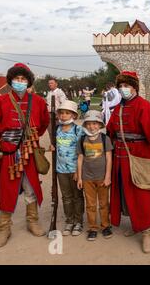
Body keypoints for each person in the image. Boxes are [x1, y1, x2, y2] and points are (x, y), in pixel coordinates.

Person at [0, 63, 50, 248]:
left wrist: (32, 138)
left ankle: (32, 221)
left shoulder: (37, 101)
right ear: (11, 80)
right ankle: (4, 228)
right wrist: (0, 140)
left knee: (31, 189)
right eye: (17, 79)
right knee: (7, 190)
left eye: (23, 79)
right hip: (8, 153)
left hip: (29, 153)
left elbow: (44, 122)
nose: (20, 82)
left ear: (28, 81)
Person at [106, 71, 150, 253]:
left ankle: (147, 232)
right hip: (120, 156)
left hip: (139, 155)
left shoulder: (144, 106)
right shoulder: (118, 108)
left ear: (134, 87)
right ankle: (136, 224)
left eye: (126, 85)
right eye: (121, 86)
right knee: (125, 192)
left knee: (141, 191)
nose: (123, 89)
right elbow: (111, 128)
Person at [77, 110, 114, 241]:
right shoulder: (82, 139)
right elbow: (80, 158)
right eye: (89, 124)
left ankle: (105, 226)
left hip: (102, 177)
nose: (92, 126)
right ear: (85, 125)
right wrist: (80, 177)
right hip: (87, 178)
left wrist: (108, 176)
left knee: (104, 203)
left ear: (100, 125)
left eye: (95, 123)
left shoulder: (105, 139)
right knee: (91, 204)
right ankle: (92, 228)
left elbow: (109, 158)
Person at [54, 100, 85, 236]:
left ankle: (78, 221)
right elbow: (56, 146)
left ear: (73, 115)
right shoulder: (57, 129)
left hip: (74, 169)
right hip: (61, 170)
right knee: (66, 196)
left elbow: (81, 152)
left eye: (67, 113)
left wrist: (79, 172)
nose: (64, 116)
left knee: (77, 196)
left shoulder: (78, 130)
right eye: (61, 113)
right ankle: (69, 220)